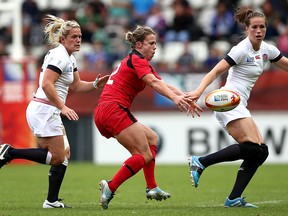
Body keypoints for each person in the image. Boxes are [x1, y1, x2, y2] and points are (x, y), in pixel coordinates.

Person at [0, 14, 109, 208]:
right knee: (57, 157)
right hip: (44, 109)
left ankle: (51, 200)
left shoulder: (69, 57)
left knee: (64, 154)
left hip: (46, 109)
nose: (78, 40)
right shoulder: (59, 56)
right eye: (74, 37)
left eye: (80, 36)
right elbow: (46, 84)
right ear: (63, 39)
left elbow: (75, 85)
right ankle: (10, 152)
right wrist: (62, 106)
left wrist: (94, 84)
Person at [187, 7, 288, 208]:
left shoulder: (268, 49)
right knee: (254, 148)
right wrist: (198, 93)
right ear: (247, 28)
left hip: (240, 103)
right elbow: (214, 72)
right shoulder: (241, 49)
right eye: (254, 27)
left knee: (261, 151)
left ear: (266, 28)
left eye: (262, 27)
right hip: (229, 101)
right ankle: (201, 162)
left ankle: (233, 198)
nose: (258, 31)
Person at [94, 25, 202, 210]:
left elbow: (161, 83)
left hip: (108, 110)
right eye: (151, 43)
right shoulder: (137, 59)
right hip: (113, 109)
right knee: (143, 155)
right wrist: (175, 98)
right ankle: (110, 186)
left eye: (155, 43)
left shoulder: (137, 60)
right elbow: (152, 82)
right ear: (138, 44)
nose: (155, 47)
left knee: (152, 138)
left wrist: (184, 96)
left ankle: (152, 187)